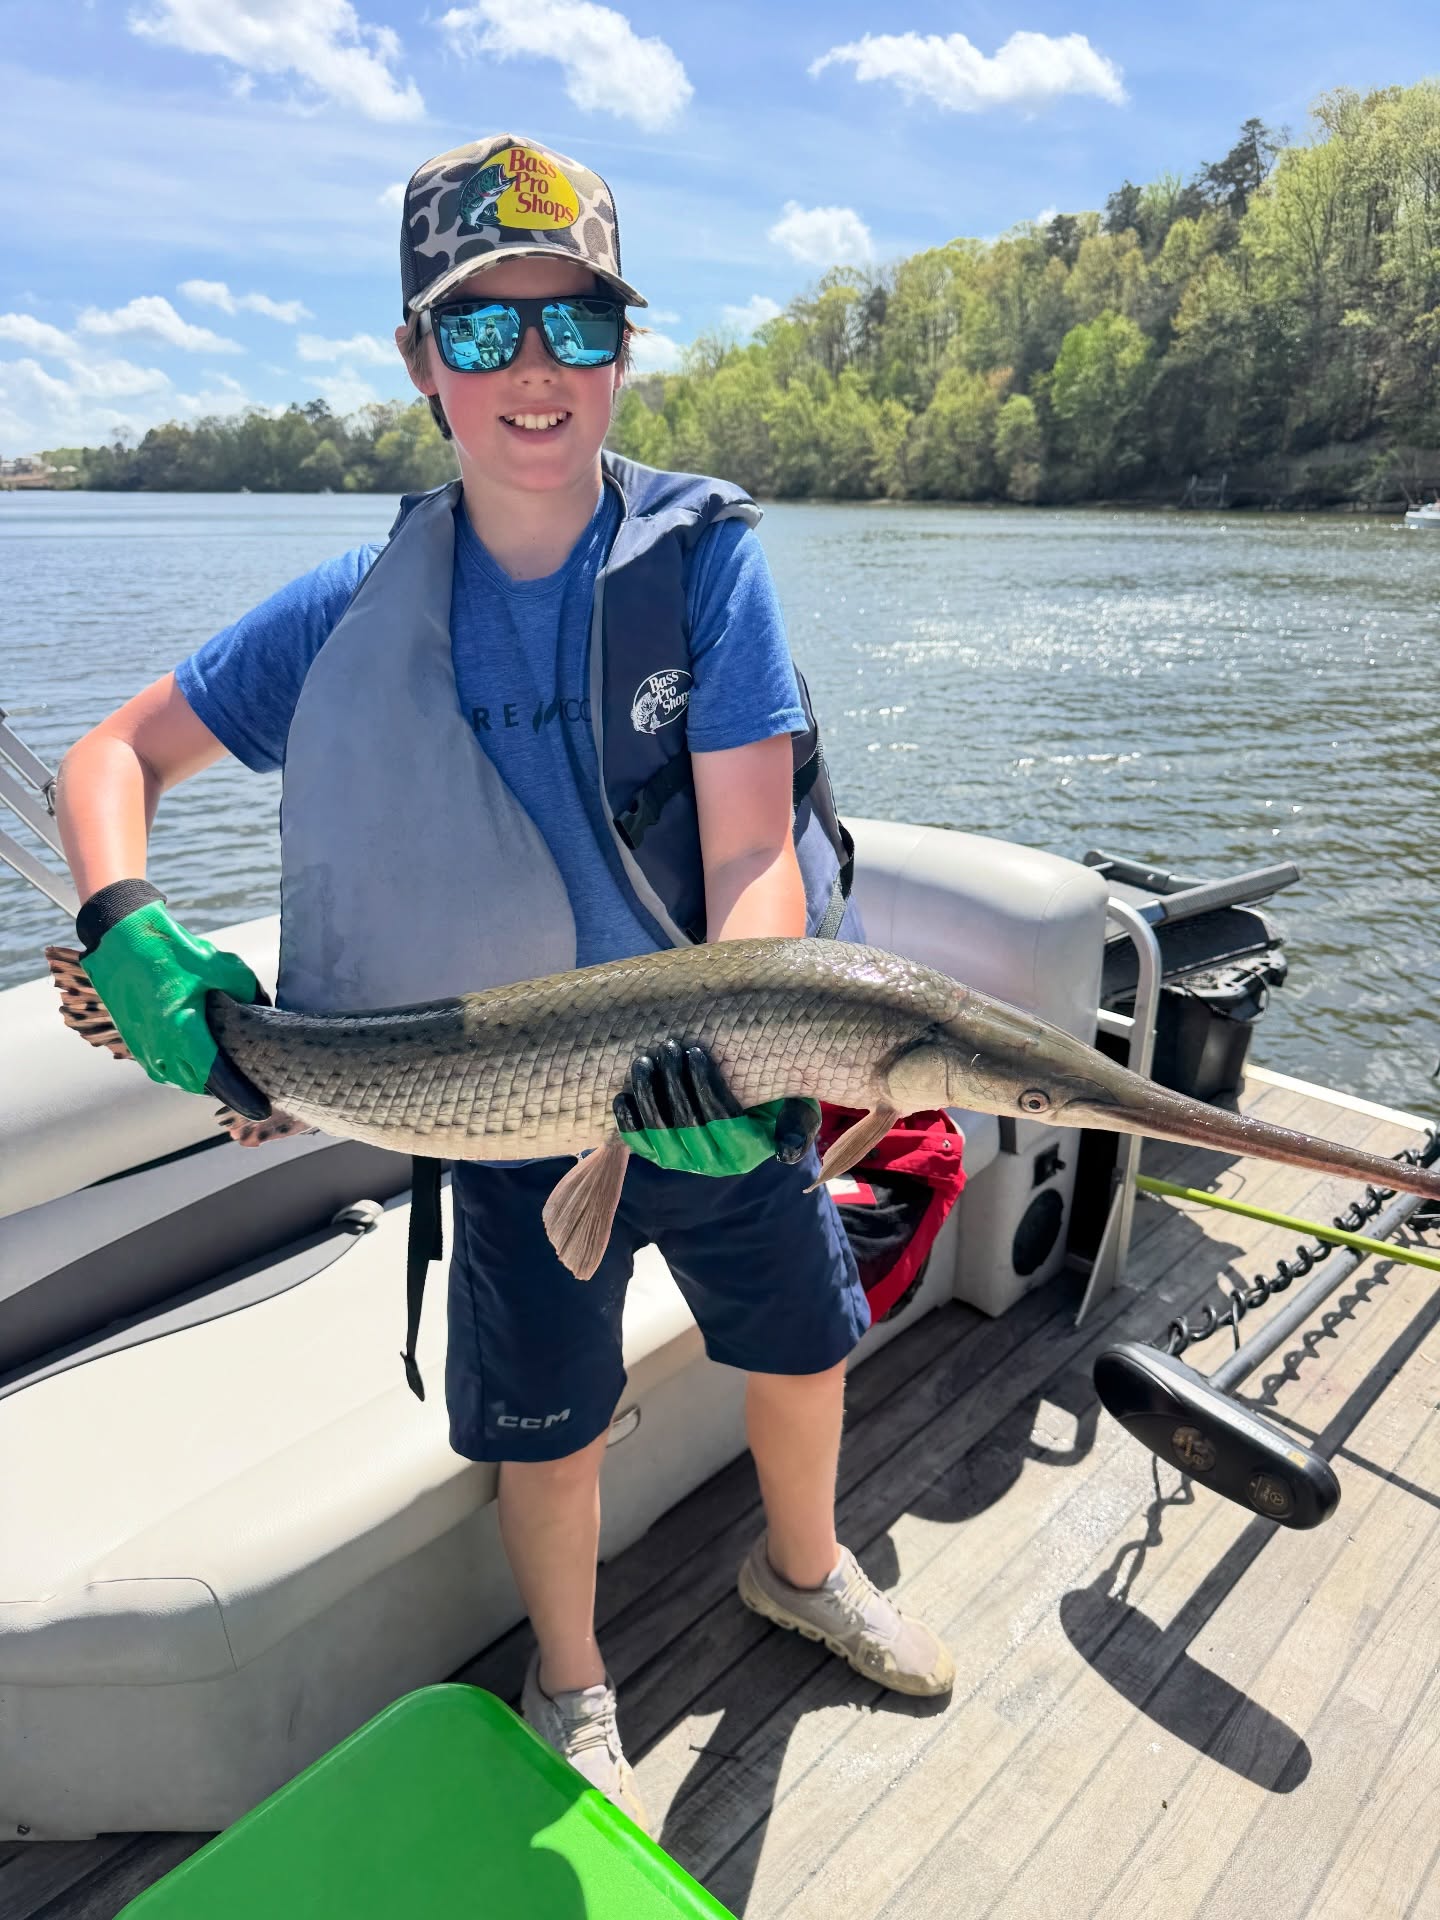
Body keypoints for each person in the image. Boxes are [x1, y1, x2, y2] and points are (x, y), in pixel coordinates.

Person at [53, 133, 954, 1832]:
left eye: (575, 325)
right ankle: (572, 1674)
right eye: (481, 331)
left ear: (623, 352)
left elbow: (755, 851)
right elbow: (116, 758)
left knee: (801, 1332)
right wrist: (124, 923)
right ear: (419, 365)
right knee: (545, 1415)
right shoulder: (349, 604)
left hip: (710, 1075)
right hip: (491, 1104)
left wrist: (743, 1048)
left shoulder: (704, 569)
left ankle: (806, 1567)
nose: (533, 369)